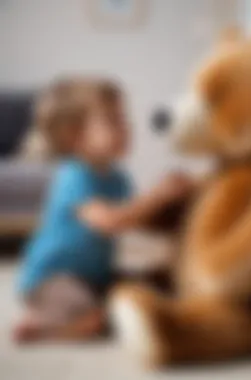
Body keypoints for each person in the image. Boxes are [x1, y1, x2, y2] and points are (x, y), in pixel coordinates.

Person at [14, 78, 193, 342]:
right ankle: (42, 328)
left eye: (124, 118)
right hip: (53, 279)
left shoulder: (118, 179)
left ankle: (91, 312)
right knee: (96, 319)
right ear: (74, 136)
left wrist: (172, 204)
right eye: (113, 121)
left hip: (95, 275)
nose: (126, 127)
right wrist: (157, 195)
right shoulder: (74, 176)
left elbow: (134, 217)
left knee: (147, 287)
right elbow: (110, 221)